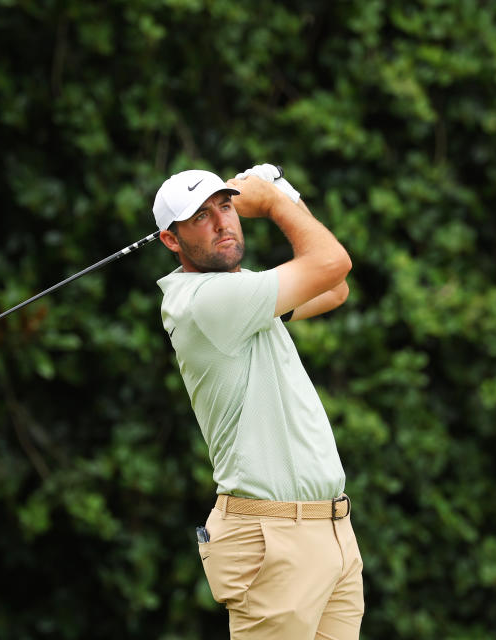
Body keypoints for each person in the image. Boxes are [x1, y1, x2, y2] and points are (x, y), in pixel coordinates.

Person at [153, 164, 364, 639]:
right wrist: (270, 201)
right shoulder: (206, 302)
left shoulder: (241, 292)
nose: (222, 222)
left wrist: (282, 192)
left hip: (329, 529)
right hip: (272, 539)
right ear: (171, 240)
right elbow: (334, 263)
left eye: (226, 206)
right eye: (201, 217)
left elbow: (333, 289)